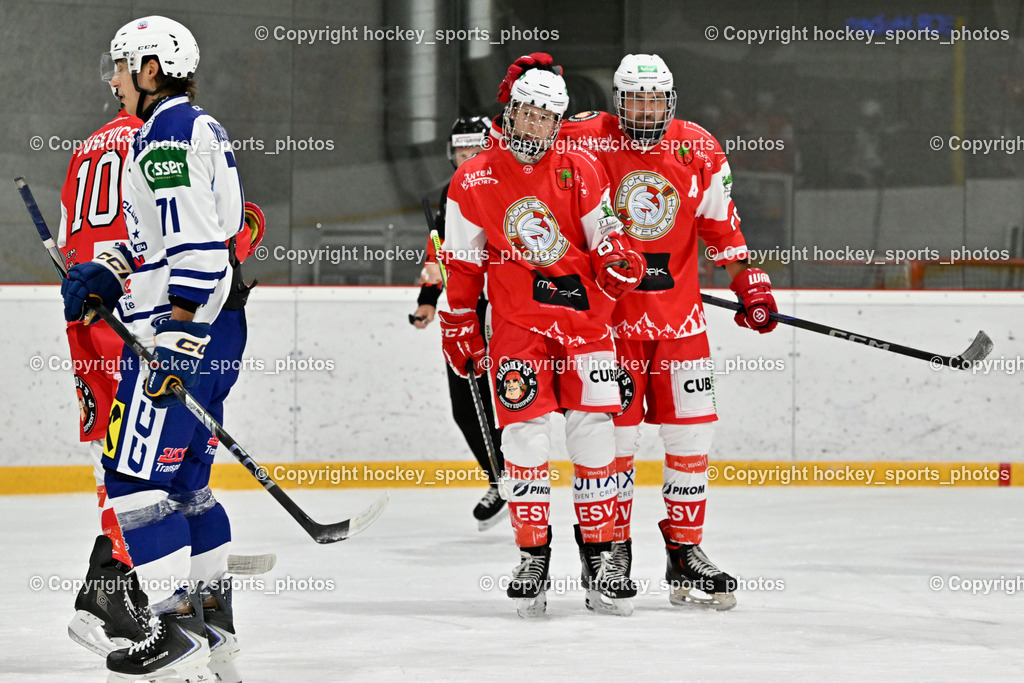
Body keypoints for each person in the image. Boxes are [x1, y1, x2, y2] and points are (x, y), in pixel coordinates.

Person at [61, 15, 251, 681]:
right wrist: (105, 271)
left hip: (183, 333)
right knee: (188, 483)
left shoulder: (167, 135)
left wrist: (174, 338)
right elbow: (172, 236)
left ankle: (171, 629)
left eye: (121, 66)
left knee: (135, 479)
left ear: (150, 69)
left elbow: (196, 248)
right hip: (216, 324)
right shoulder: (192, 127)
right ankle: (212, 623)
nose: (112, 79)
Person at [561, 54, 779, 611]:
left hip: (679, 324)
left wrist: (749, 286)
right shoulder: (583, 139)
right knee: (616, 445)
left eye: (656, 98)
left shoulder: (698, 147)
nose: (646, 109)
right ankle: (611, 556)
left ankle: (685, 552)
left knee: (691, 440)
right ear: (617, 99)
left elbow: (720, 226)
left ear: (671, 100)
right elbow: (524, 162)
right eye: (636, 98)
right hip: (607, 327)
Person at [440, 60, 646, 618]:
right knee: (524, 443)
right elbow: (462, 263)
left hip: (585, 324)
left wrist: (616, 257)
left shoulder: (581, 167)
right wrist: (458, 321)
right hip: (518, 327)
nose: (535, 126)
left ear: (558, 122)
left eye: (546, 117)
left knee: (595, 437)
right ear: (510, 112)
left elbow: (606, 232)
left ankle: (602, 557)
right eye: (528, 113)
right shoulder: (473, 179)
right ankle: (533, 557)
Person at [410, 116, 506, 530]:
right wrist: (428, 300)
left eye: (473, 149)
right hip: (464, 314)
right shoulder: (453, 195)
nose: (466, 158)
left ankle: (519, 482)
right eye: (460, 151)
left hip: (505, 313)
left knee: (507, 403)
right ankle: (500, 478)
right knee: (465, 406)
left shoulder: (506, 186)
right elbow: (439, 254)